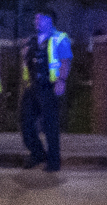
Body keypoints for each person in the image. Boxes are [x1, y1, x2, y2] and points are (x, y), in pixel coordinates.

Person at [17, 12, 72, 171]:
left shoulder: (60, 38)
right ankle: (37, 153)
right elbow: (26, 63)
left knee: (50, 125)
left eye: (40, 19)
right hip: (33, 86)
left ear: (50, 20)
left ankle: (54, 162)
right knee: (25, 122)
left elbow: (65, 61)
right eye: (35, 19)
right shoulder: (32, 40)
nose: (36, 22)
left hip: (50, 86)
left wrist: (61, 80)